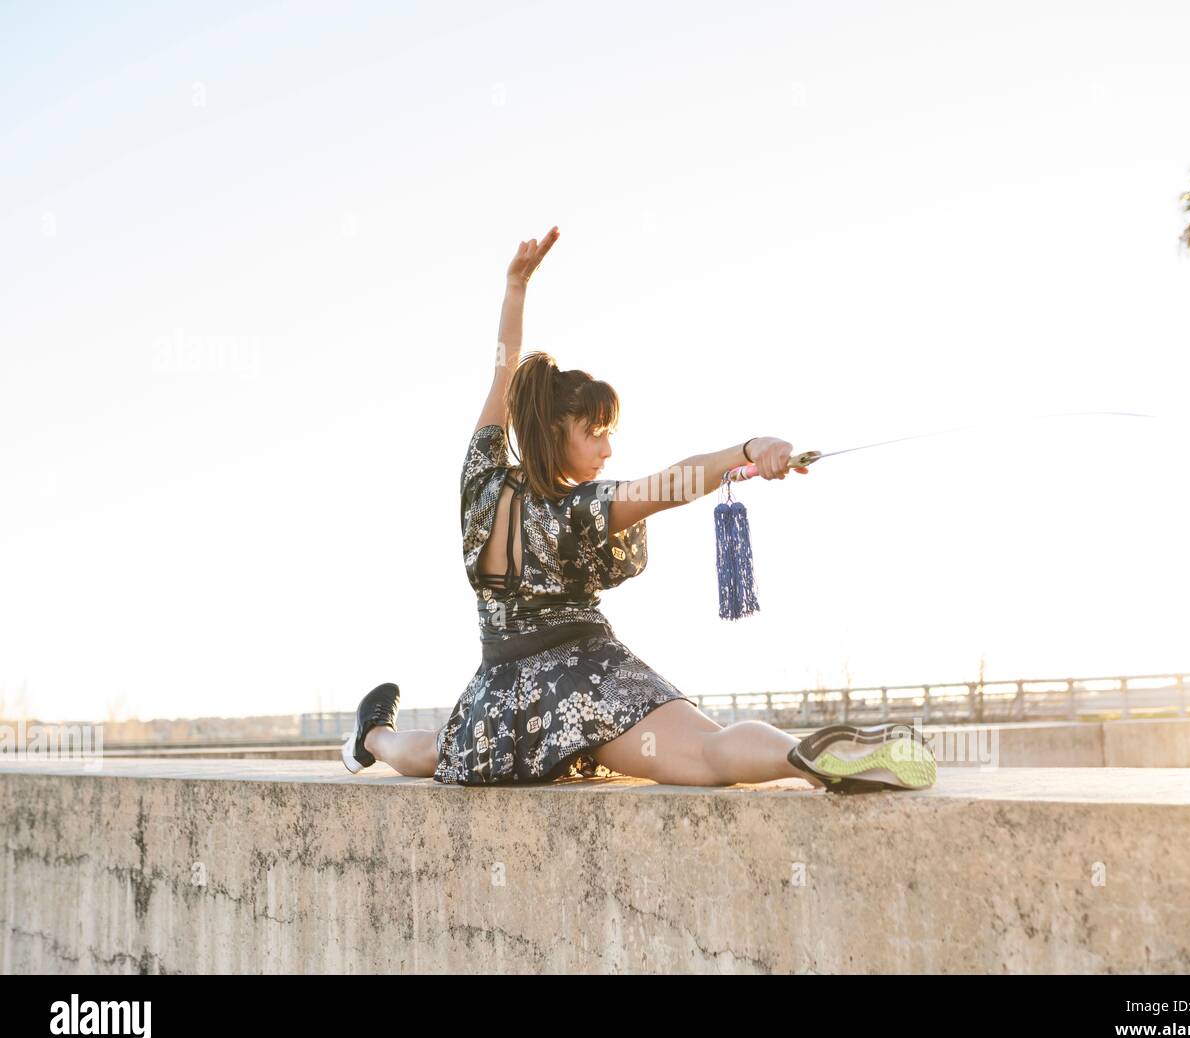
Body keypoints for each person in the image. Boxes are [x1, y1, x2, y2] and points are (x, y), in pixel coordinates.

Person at [342, 226, 935, 792]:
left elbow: (504, 367)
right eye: (594, 432)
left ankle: (371, 736)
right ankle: (804, 757)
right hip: (586, 682)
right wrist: (749, 450)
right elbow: (671, 484)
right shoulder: (577, 511)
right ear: (554, 431)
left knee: (435, 752)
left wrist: (515, 286)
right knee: (708, 752)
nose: (606, 448)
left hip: (502, 698)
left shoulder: (480, 480)